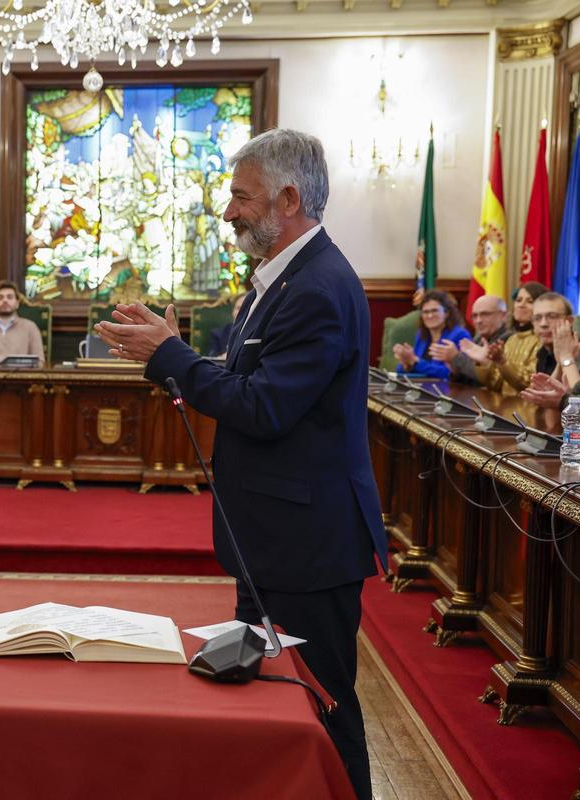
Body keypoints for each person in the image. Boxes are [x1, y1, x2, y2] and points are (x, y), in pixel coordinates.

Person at [93, 128, 386, 800]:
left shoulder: (316, 288)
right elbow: (249, 380)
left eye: (240, 197)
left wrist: (170, 355)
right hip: (274, 540)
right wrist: (171, 352)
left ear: (288, 199)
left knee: (321, 707)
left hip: (307, 547)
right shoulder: (280, 282)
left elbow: (264, 407)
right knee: (275, 702)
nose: (227, 212)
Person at [469, 281, 546, 395]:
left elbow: (529, 383)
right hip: (505, 404)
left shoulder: (542, 340)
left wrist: (503, 362)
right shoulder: (511, 339)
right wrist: (484, 363)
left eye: (530, 301)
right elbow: (496, 384)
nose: (521, 305)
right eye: (518, 300)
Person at [519, 292, 580, 408]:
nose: (543, 324)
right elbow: (546, 397)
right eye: (537, 318)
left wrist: (566, 358)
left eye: (552, 316)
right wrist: (560, 363)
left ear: (569, 321)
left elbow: (579, 405)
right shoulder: (543, 352)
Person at [427, 294, 509, 385]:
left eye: (485, 314)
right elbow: (467, 378)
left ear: (503, 315)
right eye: (474, 316)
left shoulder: (509, 339)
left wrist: (456, 358)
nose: (478, 320)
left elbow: (494, 380)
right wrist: (452, 366)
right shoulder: (478, 339)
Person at [392, 290, 472, 379]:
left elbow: (451, 374)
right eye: (425, 312)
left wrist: (415, 362)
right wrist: (406, 364)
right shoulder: (421, 335)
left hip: (449, 387)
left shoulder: (460, 335)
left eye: (434, 311)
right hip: (421, 385)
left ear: (446, 313)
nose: (430, 316)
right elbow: (408, 368)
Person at [205, 292, 248, 358]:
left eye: (246, 308)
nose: (242, 312)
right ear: (233, 312)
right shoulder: (217, 334)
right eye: (238, 308)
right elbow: (212, 359)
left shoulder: (262, 332)